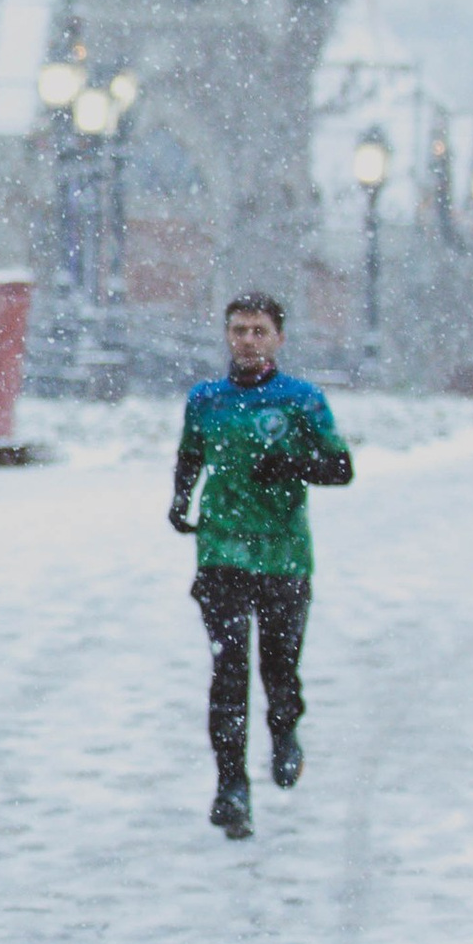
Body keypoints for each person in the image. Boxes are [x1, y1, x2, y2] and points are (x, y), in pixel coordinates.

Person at [169, 290, 353, 839]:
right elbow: (191, 454)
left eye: (258, 331)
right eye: (238, 329)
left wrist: (294, 464)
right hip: (222, 551)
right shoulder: (206, 398)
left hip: (282, 556)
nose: (246, 340)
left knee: (278, 667)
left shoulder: (302, 399)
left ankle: (285, 729)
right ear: (226, 335)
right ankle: (231, 787)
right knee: (227, 674)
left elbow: (340, 466)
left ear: (278, 338)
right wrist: (181, 499)